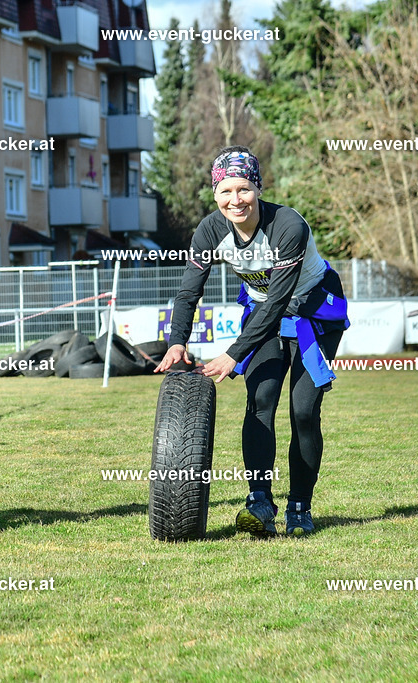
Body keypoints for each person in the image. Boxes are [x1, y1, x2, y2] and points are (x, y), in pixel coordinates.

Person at [156, 146, 349, 537]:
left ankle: (300, 508)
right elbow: (189, 290)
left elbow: (279, 300)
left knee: (303, 411)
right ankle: (260, 502)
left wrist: (233, 354)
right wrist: (177, 341)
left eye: (244, 189)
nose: (236, 200)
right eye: (225, 191)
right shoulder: (210, 230)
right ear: (215, 194)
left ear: (258, 188)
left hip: (313, 314)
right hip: (264, 316)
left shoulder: (288, 226)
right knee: (260, 402)